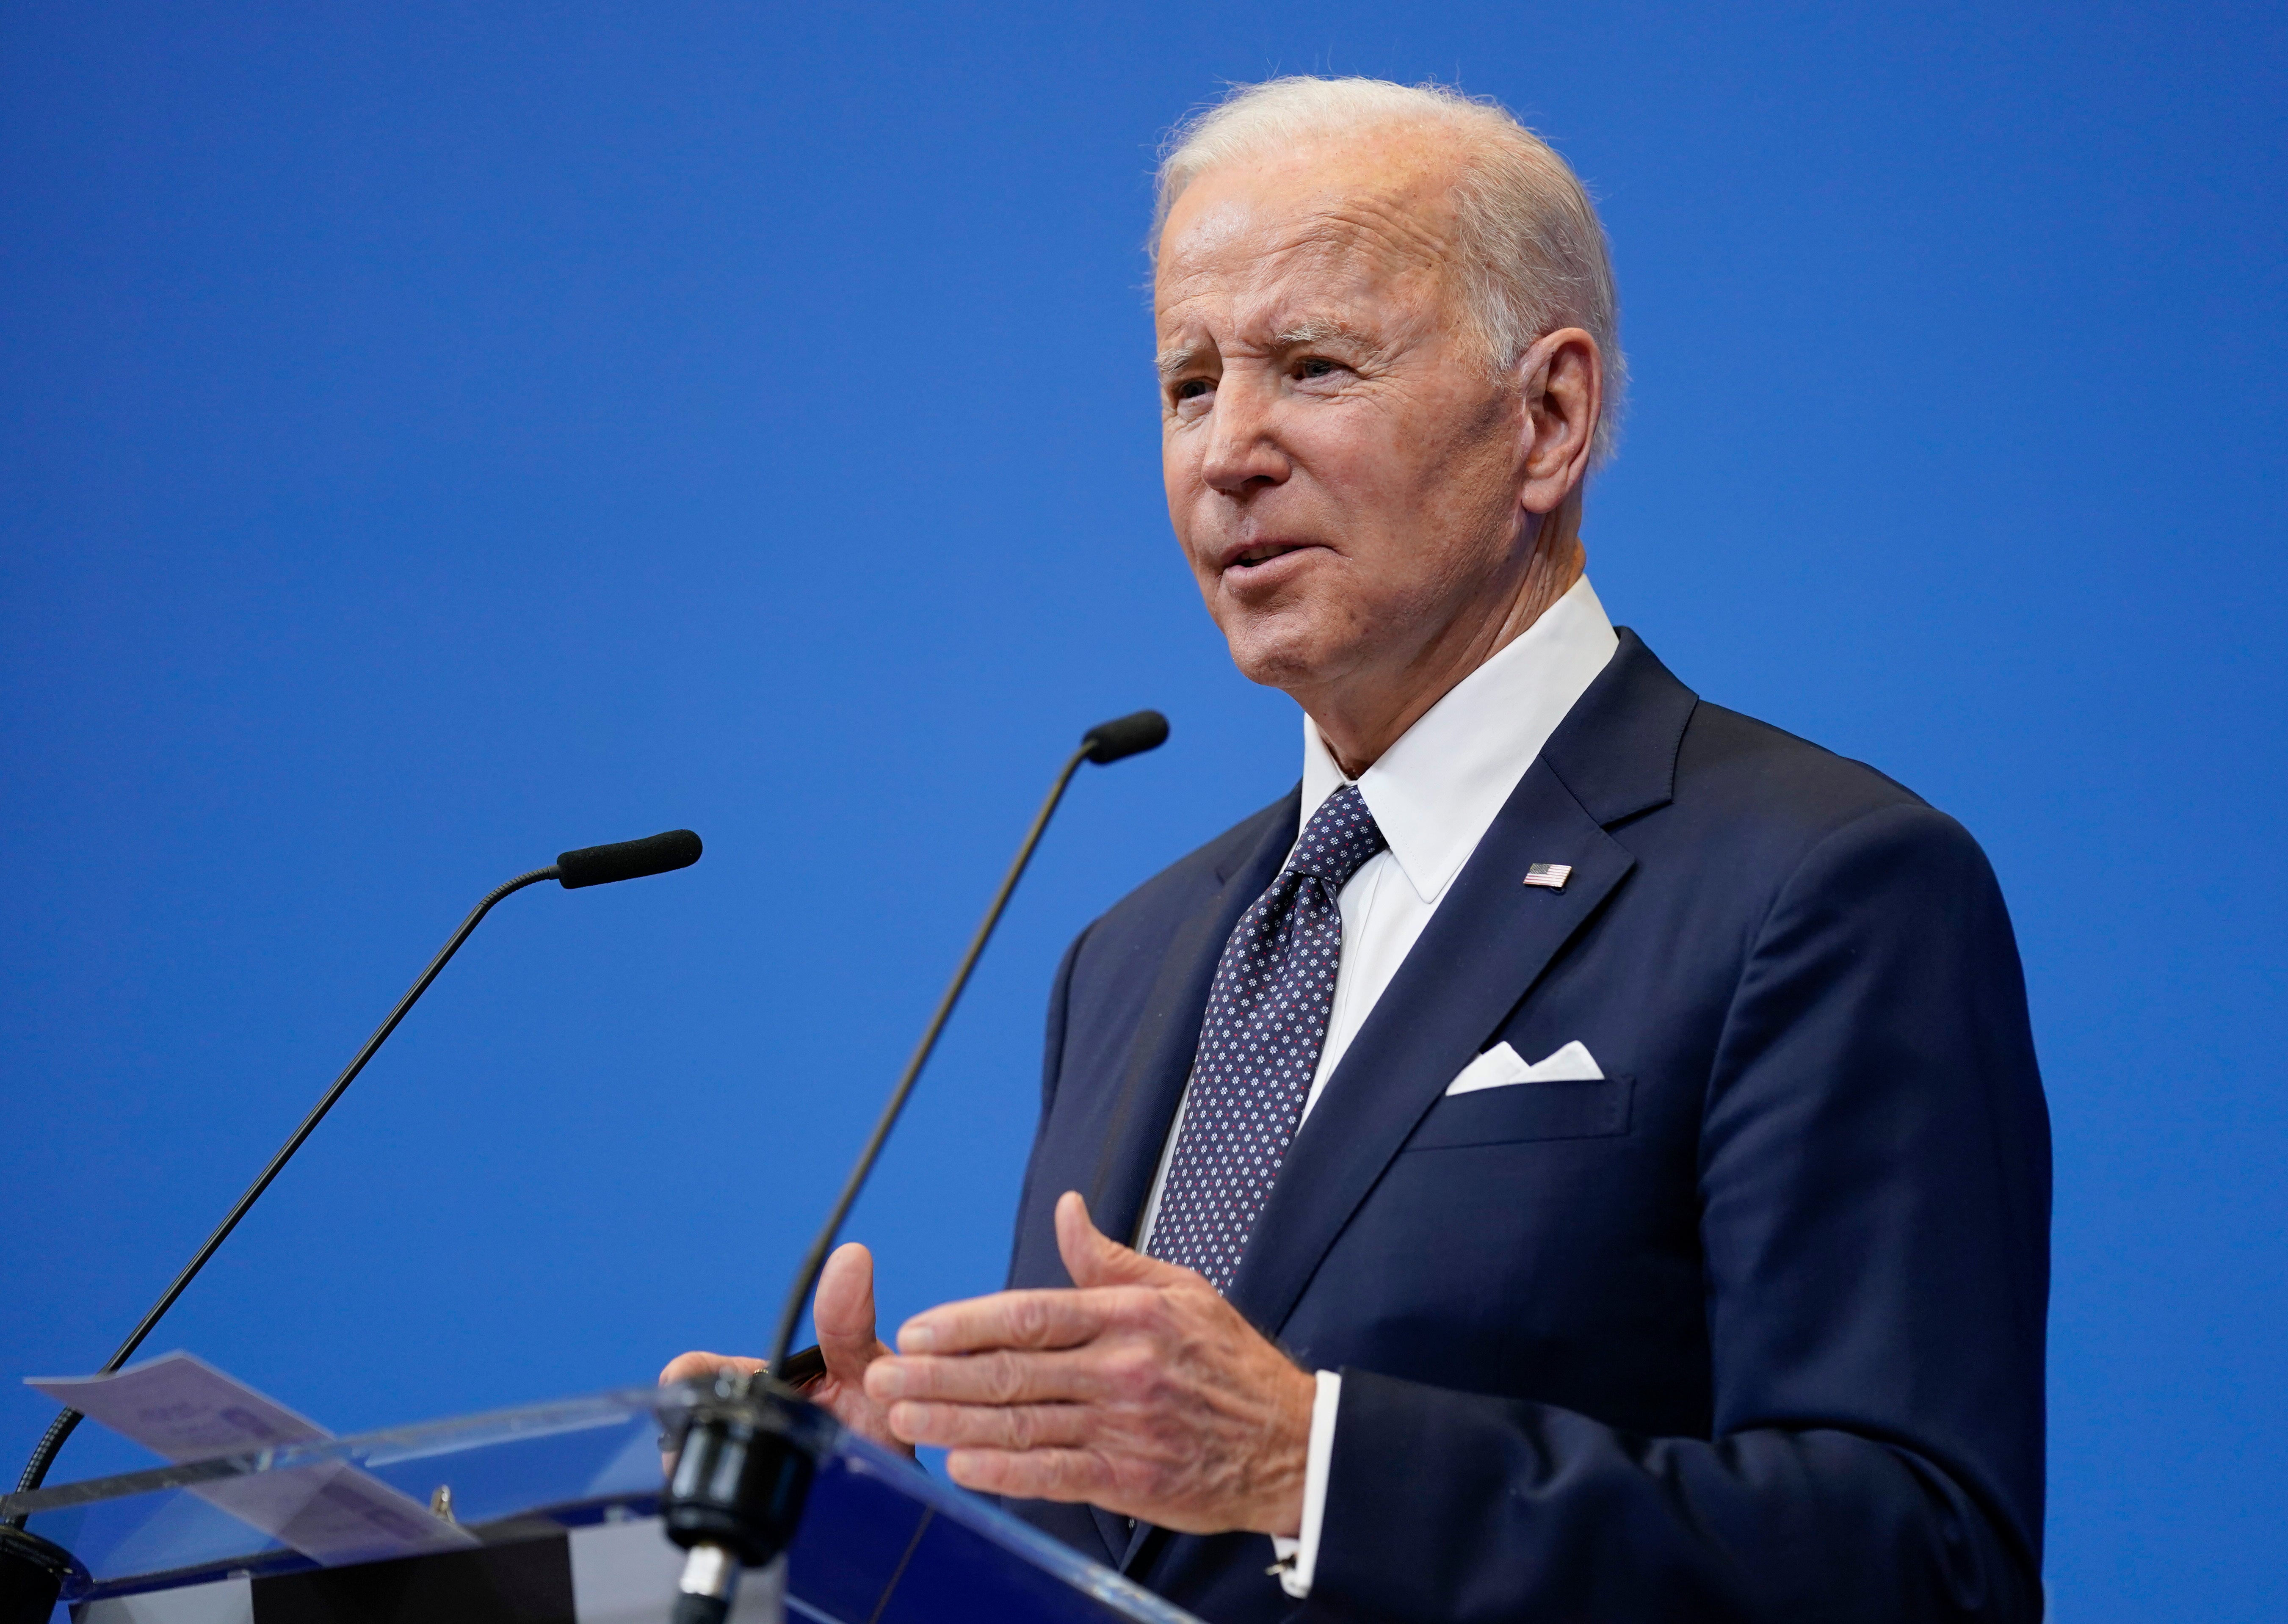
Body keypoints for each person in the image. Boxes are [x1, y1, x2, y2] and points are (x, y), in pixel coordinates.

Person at [668, 76, 2050, 1622]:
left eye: (1312, 365)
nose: (1227, 451)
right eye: (1188, 385)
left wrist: (1311, 1466)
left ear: (1549, 417)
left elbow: (1922, 1566)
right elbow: (1132, 1570)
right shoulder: (1123, 959)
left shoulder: (1818, 884)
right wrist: (880, 1530)